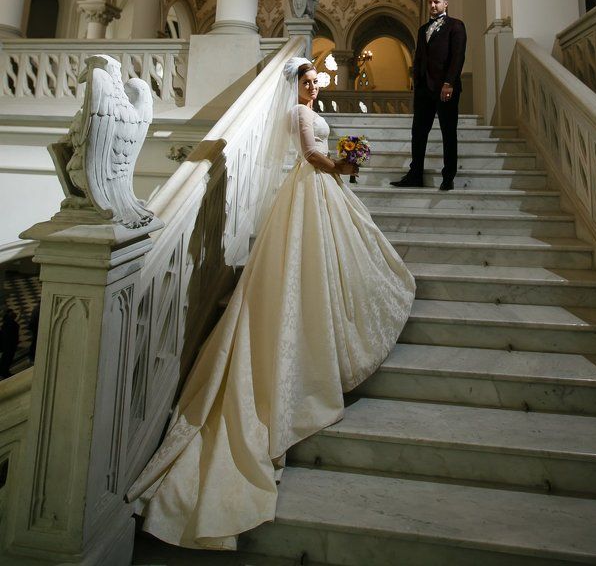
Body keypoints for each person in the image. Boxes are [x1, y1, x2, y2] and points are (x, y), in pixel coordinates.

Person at [128, 57, 415, 550]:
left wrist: (345, 162)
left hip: (320, 189)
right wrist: (342, 165)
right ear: (295, 85)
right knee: (306, 258)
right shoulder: (301, 114)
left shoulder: (311, 108)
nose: (312, 88)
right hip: (312, 184)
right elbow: (310, 154)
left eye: (315, 82)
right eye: (306, 82)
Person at [391, 0, 467, 191]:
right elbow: (419, 58)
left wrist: (449, 83)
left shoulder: (456, 26)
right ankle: (415, 175)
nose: (433, 5)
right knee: (418, 132)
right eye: (430, 2)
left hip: (445, 88)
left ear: (446, 4)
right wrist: (416, 81)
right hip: (424, 89)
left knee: (448, 132)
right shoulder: (422, 29)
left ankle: (448, 177)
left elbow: (458, 56)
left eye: (437, 2)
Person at [0, 307, 20, 378]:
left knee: (5, 358)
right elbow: (12, 335)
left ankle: (3, 371)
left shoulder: (6, 323)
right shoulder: (11, 325)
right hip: (10, 345)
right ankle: (5, 373)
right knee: (7, 359)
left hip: (7, 344)